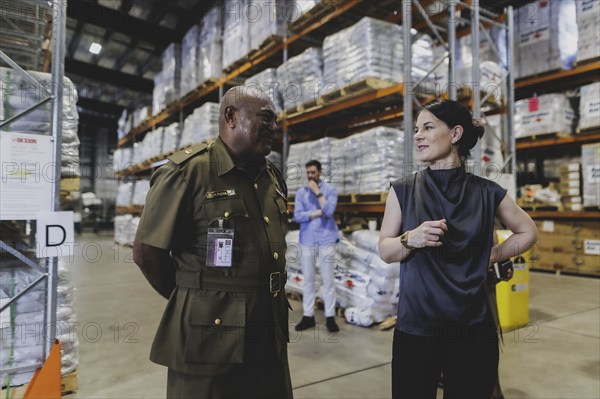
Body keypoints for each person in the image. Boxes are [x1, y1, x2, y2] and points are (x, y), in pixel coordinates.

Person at [133, 86, 293, 398]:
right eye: (266, 118)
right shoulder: (187, 173)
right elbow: (147, 253)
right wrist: (194, 298)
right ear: (231, 116)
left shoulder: (271, 176)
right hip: (210, 334)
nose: (275, 127)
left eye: (275, 120)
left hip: (268, 325)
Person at [378, 99, 538, 399]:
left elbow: (528, 231)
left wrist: (496, 254)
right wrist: (409, 239)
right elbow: (386, 250)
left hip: (473, 329)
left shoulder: (487, 191)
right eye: (416, 129)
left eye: (428, 127)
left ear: (455, 134)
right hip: (417, 329)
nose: (417, 135)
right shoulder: (402, 190)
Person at [293, 160, 340, 333]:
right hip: (307, 239)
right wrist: (317, 212)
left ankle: (330, 317)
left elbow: (329, 211)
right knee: (309, 280)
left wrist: (318, 193)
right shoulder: (301, 193)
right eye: (308, 173)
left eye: (313, 172)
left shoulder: (330, 191)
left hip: (327, 238)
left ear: (320, 172)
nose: (310, 176)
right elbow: (297, 216)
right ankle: (308, 316)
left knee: (328, 280)